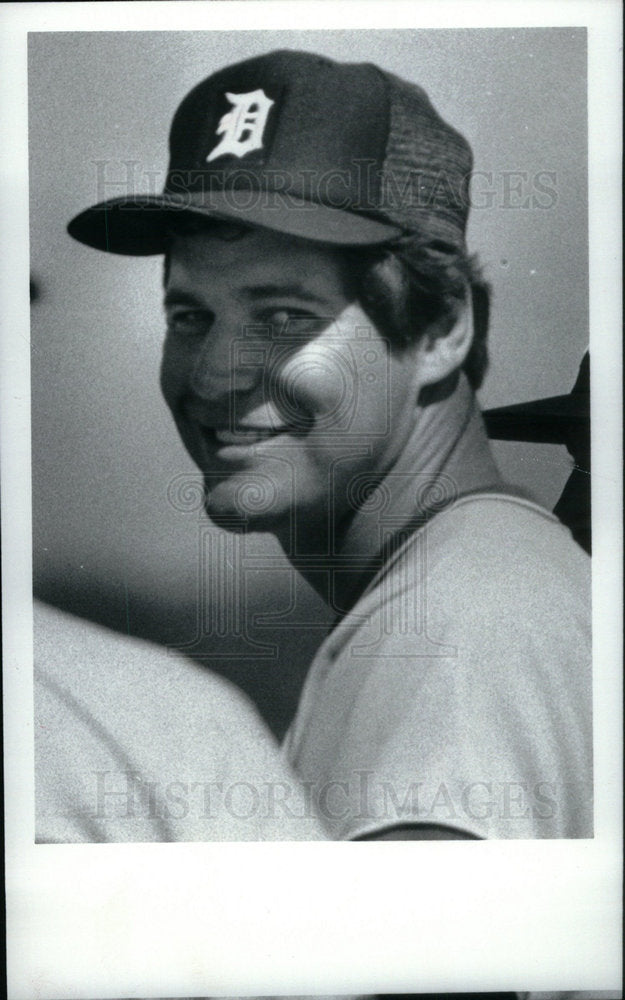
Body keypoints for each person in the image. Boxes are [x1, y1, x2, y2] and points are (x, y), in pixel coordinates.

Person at [66, 49, 592, 842]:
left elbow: (416, 969)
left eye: (281, 315)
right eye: (189, 316)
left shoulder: (460, 630)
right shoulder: (467, 589)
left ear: (442, 325)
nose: (213, 375)